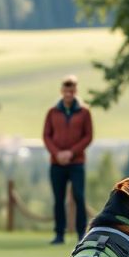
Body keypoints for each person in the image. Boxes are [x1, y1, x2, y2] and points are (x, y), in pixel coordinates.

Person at [43, 75, 93, 245]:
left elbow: (88, 136)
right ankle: (59, 234)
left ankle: (81, 233)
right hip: (57, 163)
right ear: (62, 91)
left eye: (71, 91)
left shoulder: (85, 112)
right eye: (66, 91)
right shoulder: (52, 112)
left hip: (76, 162)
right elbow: (46, 136)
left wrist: (71, 152)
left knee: (79, 196)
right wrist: (57, 153)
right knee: (58, 199)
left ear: (75, 91)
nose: (68, 94)